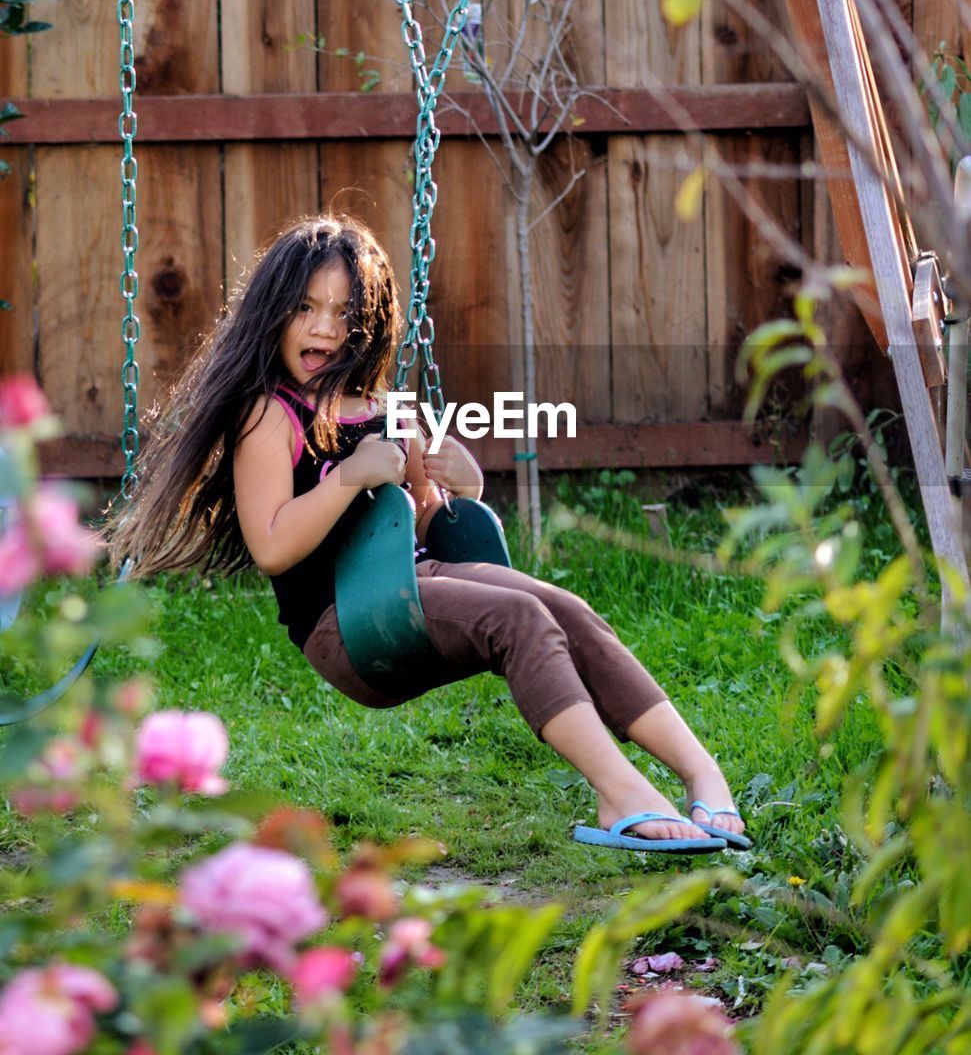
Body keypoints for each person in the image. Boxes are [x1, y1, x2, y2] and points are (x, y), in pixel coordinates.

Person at [107, 215, 750, 855]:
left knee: (566, 611)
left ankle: (702, 773)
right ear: (273, 311)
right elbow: (272, 544)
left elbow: (417, 525)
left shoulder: (387, 411)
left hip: (417, 587)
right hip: (345, 620)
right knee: (519, 616)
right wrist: (343, 480)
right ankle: (621, 793)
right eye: (305, 307)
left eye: (343, 311)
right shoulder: (269, 415)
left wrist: (460, 490)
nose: (326, 328)